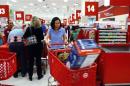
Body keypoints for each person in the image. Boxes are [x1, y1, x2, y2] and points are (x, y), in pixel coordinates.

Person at [23, 16, 44, 81]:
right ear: (38, 22)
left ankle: (30, 76)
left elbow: (24, 37)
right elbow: (42, 38)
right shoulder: (39, 28)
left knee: (31, 62)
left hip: (30, 47)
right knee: (38, 61)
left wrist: (30, 38)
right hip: (38, 47)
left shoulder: (28, 28)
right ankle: (39, 75)